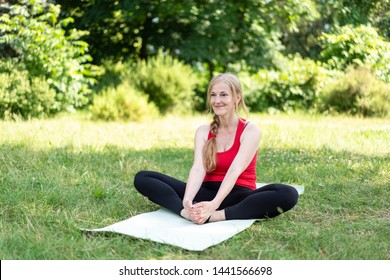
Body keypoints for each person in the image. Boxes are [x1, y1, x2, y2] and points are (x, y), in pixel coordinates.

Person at [134, 73, 298, 224]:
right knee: (143, 177)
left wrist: (214, 206)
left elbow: (235, 170)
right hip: (205, 193)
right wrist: (187, 201)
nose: (217, 100)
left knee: (288, 193)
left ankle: (218, 216)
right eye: (213, 95)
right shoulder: (203, 131)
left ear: (237, 97)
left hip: (238, 196)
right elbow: (198, 168)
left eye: (223, 94)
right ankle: (186, 213)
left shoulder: (250, 131)